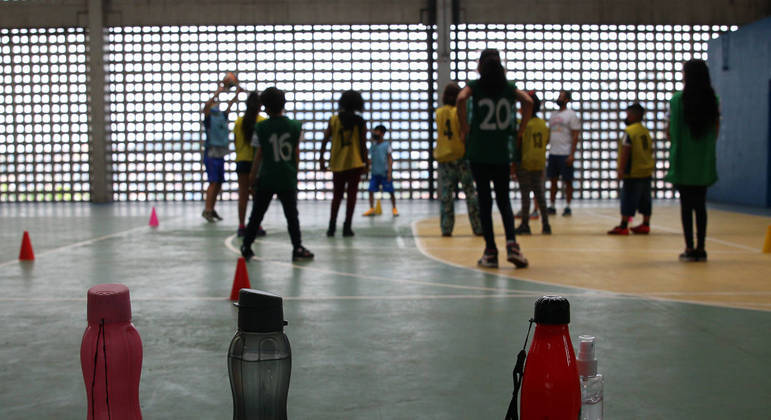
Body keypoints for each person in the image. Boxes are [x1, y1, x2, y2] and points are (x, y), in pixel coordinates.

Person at [456, 48, 532, 268]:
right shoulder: (508, 87)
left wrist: (465, 127)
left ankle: (490, 251)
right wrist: (520, 129)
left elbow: (461, 98)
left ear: (480, 66)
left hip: (479, 151)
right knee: (504, 199)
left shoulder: (476, 86)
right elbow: (527, 101)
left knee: (485, 202)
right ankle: (512, 245)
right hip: (501, 152)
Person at [240, 87, 314, 262]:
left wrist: (252, 177)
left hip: (267, 177)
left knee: (257, 213)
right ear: (284, 104)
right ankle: (297, 247)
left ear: (265, 107)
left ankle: (247, 245)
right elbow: (296, 153)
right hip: (286, 177)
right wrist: (294, 172)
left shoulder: (261, 127)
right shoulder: (296, 126)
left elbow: (259, 155)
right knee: (292, 215)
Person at [665, 59, 720, 262]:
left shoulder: (677, 100)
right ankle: (702, 247)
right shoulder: (713, 99)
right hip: (703, 160)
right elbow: (715, 131)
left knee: (686, 206)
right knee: (701, 205)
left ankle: (689, 247)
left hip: (682, 159)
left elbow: (669, 131)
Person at [433, 82, 482, 237]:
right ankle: (477, 226)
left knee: (446, 195)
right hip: (460, 156)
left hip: (444, 157)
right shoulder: (459, 112)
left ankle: (446, 228)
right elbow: (464, 131)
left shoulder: (439, 113)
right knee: (470, 193)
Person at [319, 90, 370, 237]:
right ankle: (347, 227)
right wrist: (366, 163)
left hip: (338, 163)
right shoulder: (360, 122)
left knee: (337, 196)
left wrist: (321, 159)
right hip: (354, 163)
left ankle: (332, 226)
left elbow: (325, 140)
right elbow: (362, 145)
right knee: (351, 196)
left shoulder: (334, 120)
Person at [607, 103, 655, 235]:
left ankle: (623, 225)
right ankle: (646, 224)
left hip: (633, 172)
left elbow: (626, 151)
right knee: (646, 199)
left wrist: (621, 169)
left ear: (634, 116)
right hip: (646, 170)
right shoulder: (645, 131)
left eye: (628, 115)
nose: (626, 117)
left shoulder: (630, 132)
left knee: (628, 198)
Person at [202, 80, 241, 222]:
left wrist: (237, 94)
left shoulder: (221, 117)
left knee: (218, 182)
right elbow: (206, 106)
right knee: (213, 182)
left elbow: (230, 106)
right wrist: (218, 92)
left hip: (220, 153)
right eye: (214, 102)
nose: (216, 103)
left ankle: (211, 209)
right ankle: (207, 209)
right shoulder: (209, 118)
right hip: (211, 153)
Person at [513, 91, 551, 235]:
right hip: (539, 162)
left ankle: (525, 224)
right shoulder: (543, 124)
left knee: (525, 195)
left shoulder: (523, 124)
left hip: (525, 162)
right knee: (540, 194)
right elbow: (546, 141)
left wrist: (514, 165)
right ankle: (546, 224)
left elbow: (518, 143)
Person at [234, 91, 266, 237]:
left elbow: (236, 141)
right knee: (256, 196)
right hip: (256, 163)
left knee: (243, 195)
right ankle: (256, 225)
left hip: (241, 161)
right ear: (260, 106)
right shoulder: (262, 121)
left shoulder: (238, 122)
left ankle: (241, 226)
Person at [546, 90, 581, 217]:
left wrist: (572, 154)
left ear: (567, 100)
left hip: (565, 153)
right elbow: (549, 134)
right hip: (553, 152)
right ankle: (552, 205)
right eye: (559, 96)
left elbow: (575, 135)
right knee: (553, 180)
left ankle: (568, 205)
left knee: (568, 181)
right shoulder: (553, 114)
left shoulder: (571, 115)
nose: (559, 98)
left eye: (561, 96)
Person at [363, 125, 398, 217]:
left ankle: (394, 208)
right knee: (371, 190)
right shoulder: (373, 145)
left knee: (390, 191)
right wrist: (366, 168)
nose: (375, 133)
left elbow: (390, 158)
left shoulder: (387, 145)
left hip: (385, 173)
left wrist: (390, 172)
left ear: (382, 133)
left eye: (377, 131)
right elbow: (370, 158)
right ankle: (371, 209)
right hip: (375, 173)